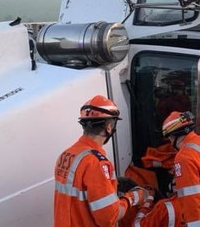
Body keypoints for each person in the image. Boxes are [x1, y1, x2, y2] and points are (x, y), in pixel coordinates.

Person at [54, 95, 153, 226]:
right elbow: (109, 217)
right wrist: (134, 197)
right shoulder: (96, 162)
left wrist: (110, 185)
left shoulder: (66, 155)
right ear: (108, 127)